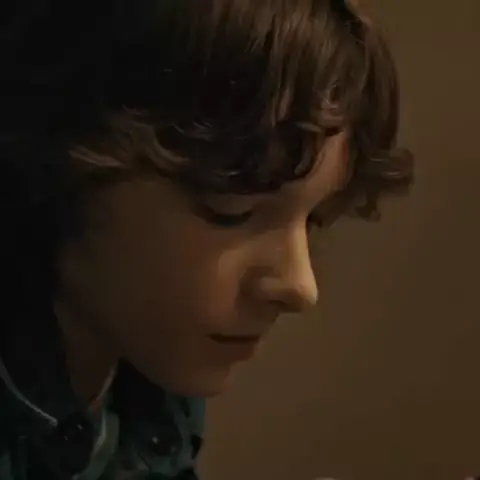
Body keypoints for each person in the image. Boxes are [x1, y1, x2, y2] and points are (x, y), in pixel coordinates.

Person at [0, 0, 413, 478]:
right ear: (67, 157)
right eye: (233, 211)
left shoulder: (149, 379)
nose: (301, 286)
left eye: (314, 220)